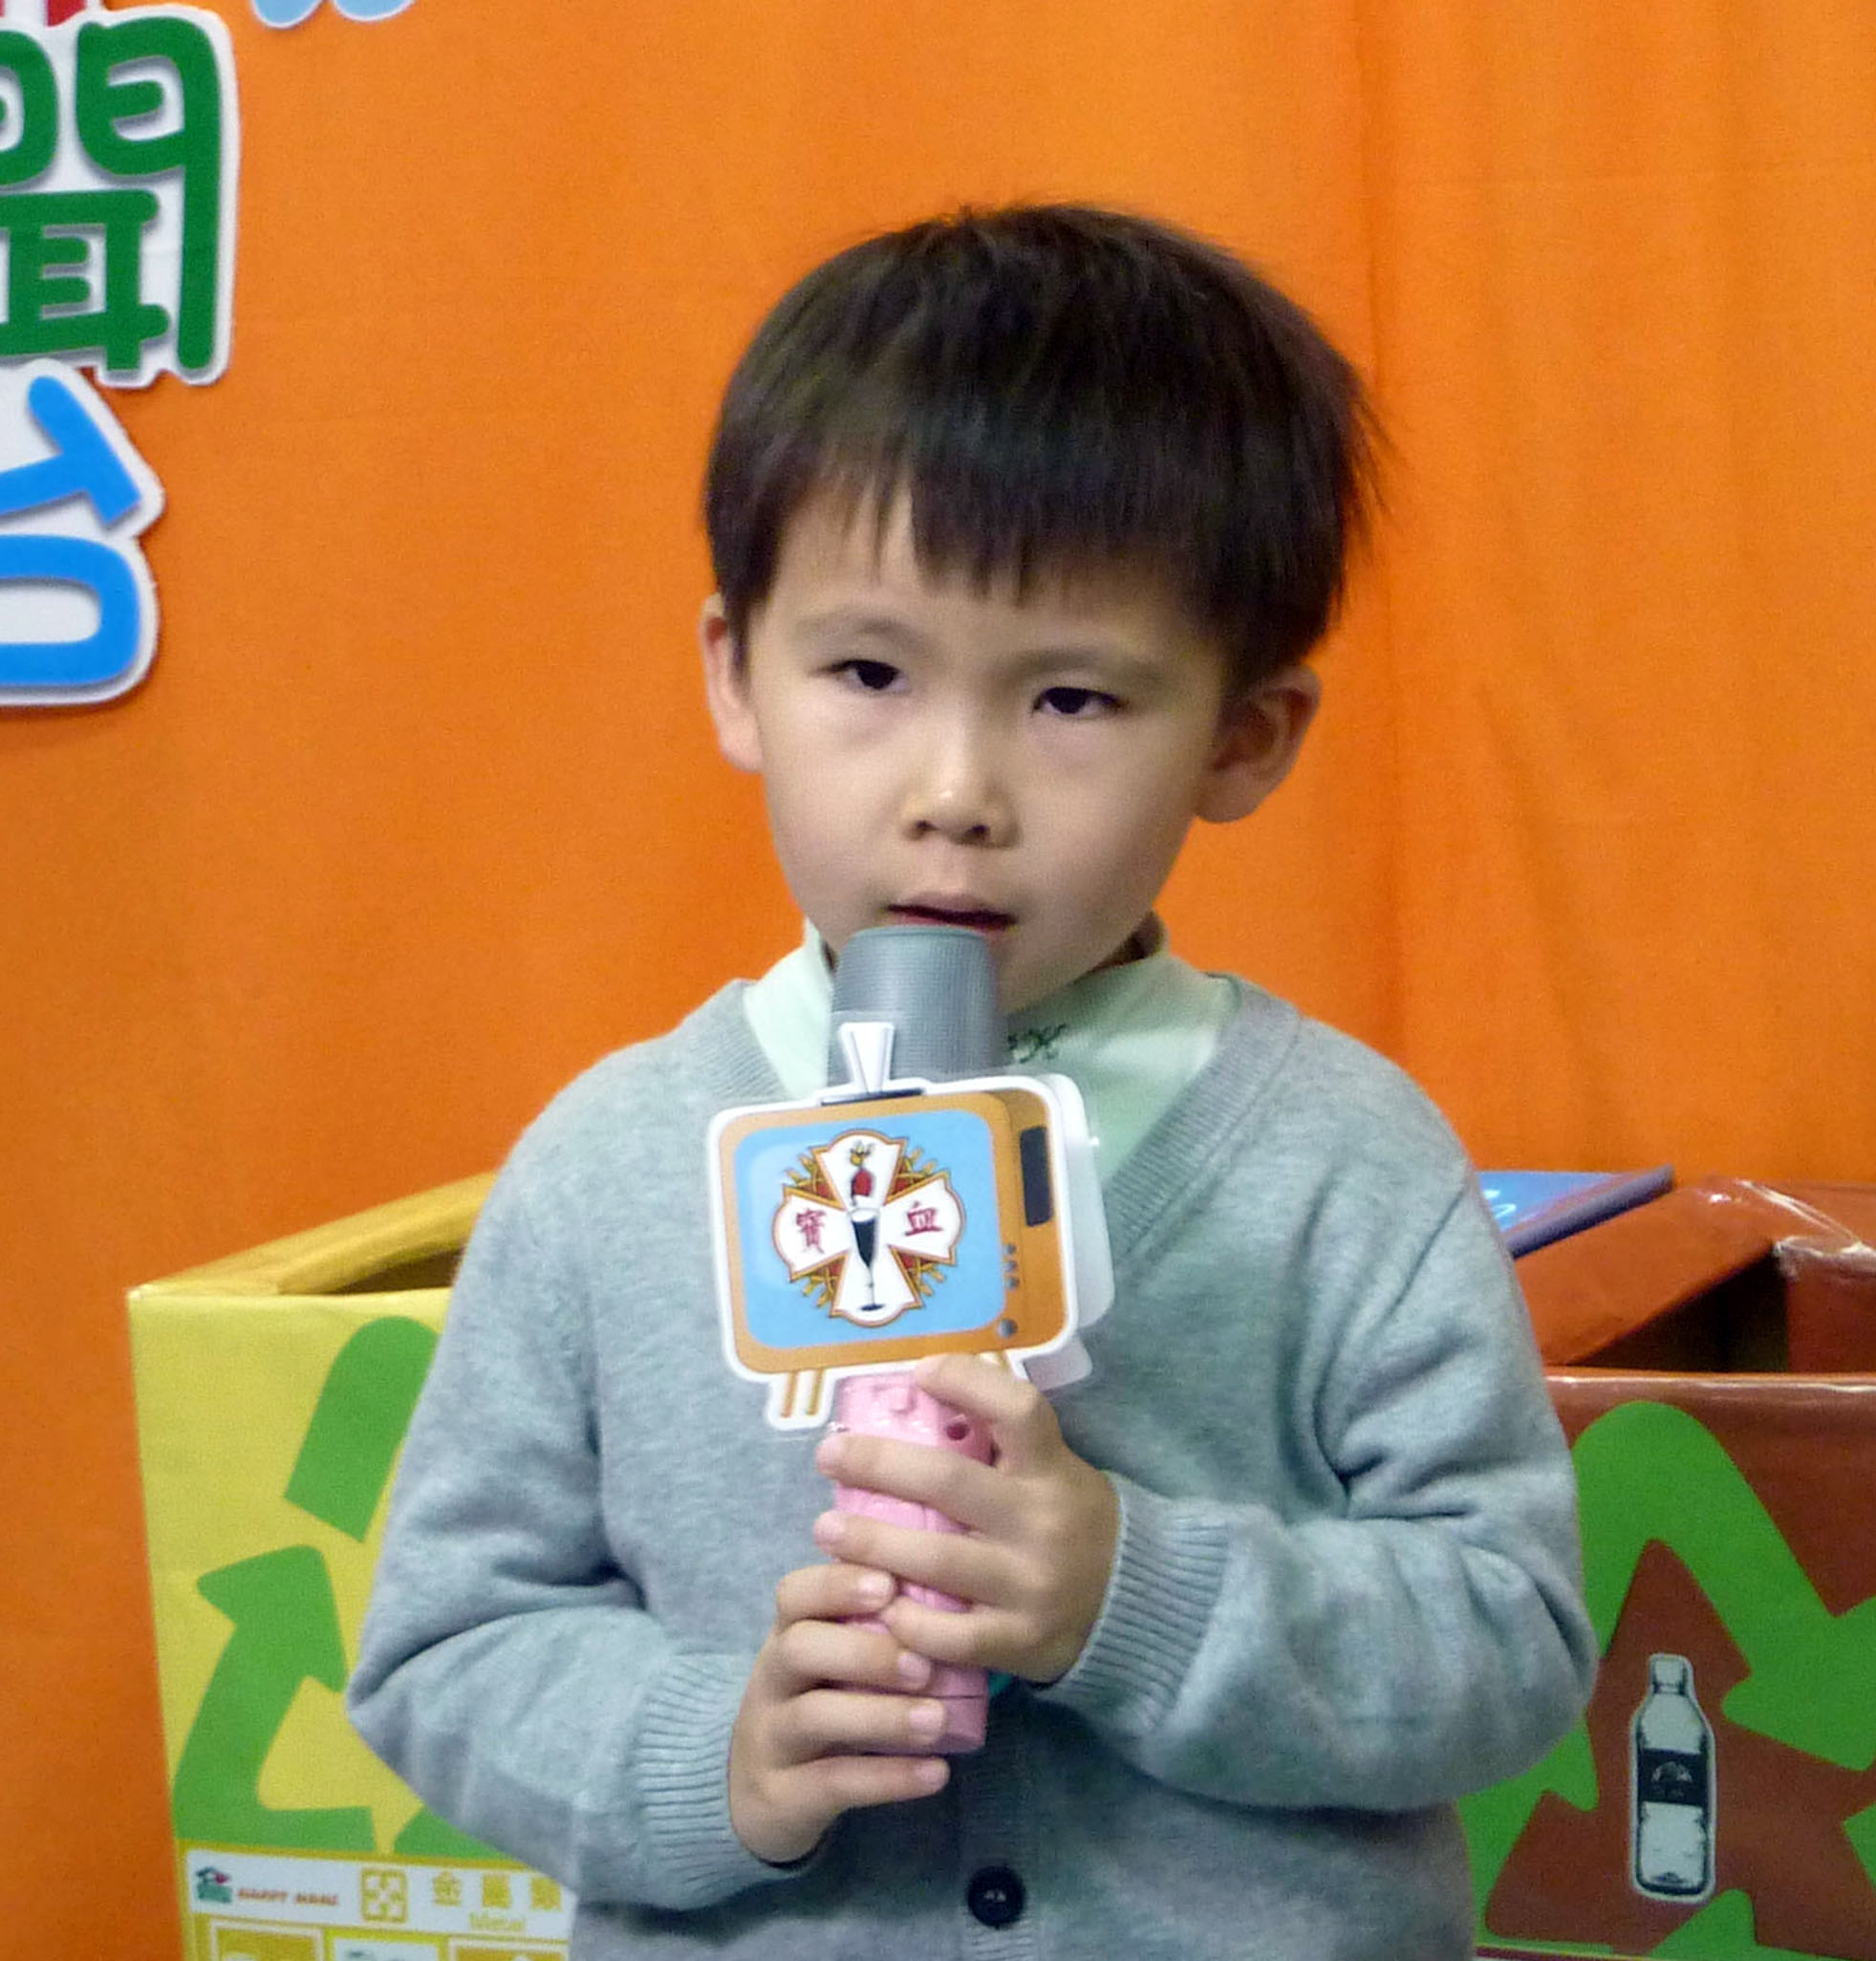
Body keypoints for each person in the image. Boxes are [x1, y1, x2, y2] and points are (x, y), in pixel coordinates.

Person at [347, 203, 1596, 1960]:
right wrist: (718, 1754)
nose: (955, 793)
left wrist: (1127, 1594)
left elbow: (1507, 1644)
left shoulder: (1344, 1156)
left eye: (1072, 701)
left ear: (1244, 737)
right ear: (737, 677)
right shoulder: (608, 1162)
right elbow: (449, 1649)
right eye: (868, 672)